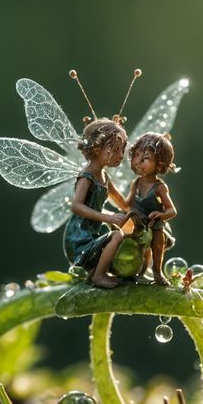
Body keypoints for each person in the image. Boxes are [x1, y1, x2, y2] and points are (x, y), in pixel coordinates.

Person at [64, 118, 132, 289]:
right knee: (116, 235)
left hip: (94, 231)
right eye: (114, 150)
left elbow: (123, 203)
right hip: (79, 237)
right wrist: (108, 218)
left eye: (122, 149)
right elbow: (76, 206)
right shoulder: (87, 177)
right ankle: (99, 277)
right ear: (96, 149)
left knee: (121, 232)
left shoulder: (104, 177)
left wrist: (140, 192)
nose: (121, 155)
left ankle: (101, 271)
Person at [116, 132, 179, 286]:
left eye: (145, 159)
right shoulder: (136, 183)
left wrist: (161, 215)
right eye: (136, 155)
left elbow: (172, 211)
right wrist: (110, 188)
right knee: (119, 238)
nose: (138, 162)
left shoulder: (160, 188)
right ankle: (127, 270)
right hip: (136, 222)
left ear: (160, 165)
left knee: (157, 242)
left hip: (153, 224)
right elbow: (125, 205)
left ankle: (157, 272)